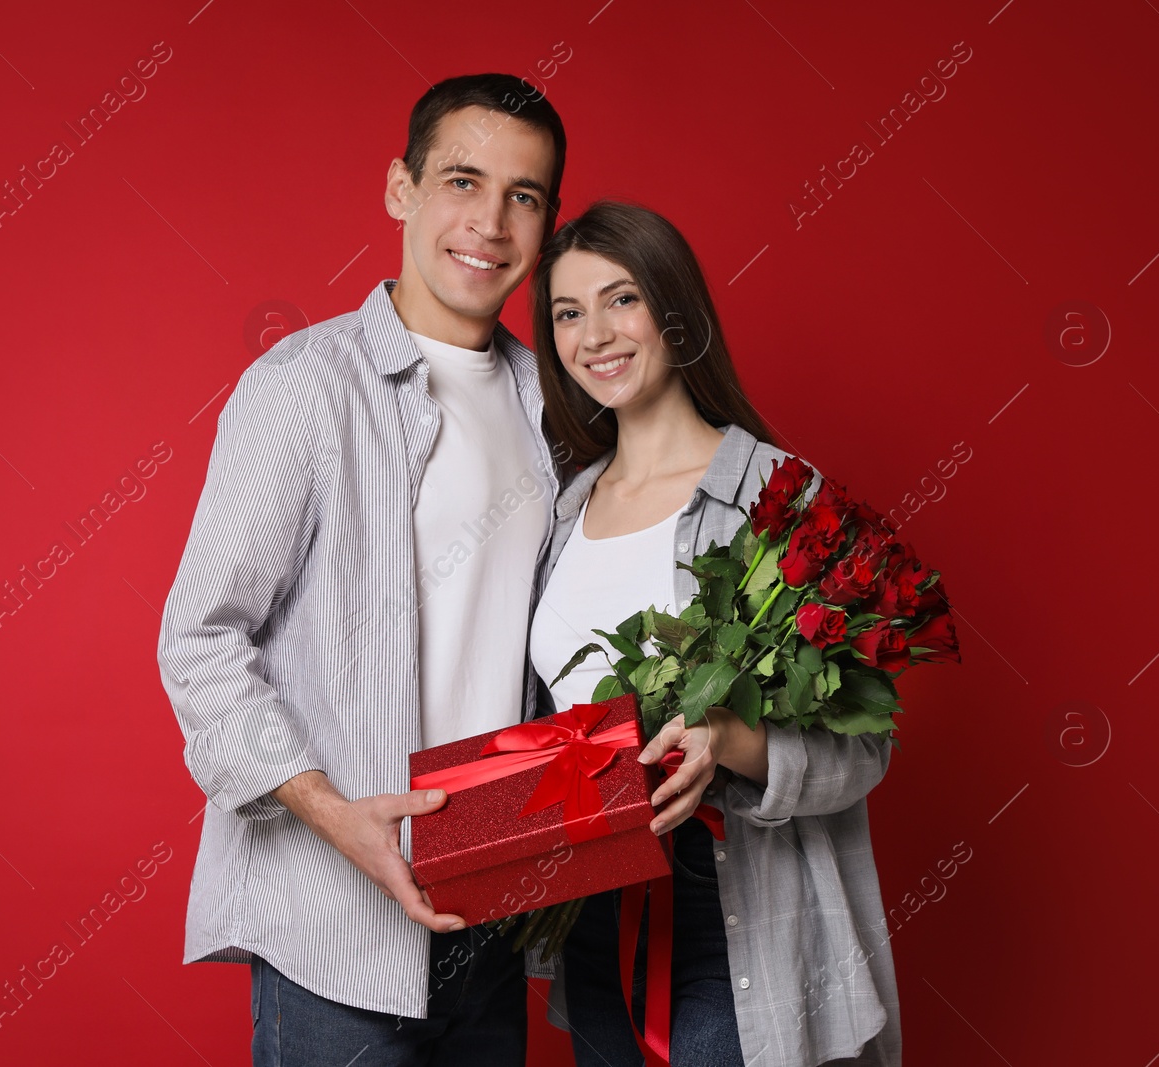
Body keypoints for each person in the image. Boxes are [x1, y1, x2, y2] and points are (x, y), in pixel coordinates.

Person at [156, 74, 568, 1066]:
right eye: (462, 181)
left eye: (524, 195)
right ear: (400, 189)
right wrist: (334, 815)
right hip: (331, 920)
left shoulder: (553, 406)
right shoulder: (303, 388)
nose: (489, 221)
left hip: (490, 909)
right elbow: (199, 641)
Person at [525, 200, 902, 1066]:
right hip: (590, 902)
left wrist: (730, 739)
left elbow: (866, 748)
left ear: (674, 308)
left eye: (621, 300)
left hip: (731, 904)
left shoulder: (781, 496)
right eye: (568, 313)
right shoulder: (562, 508)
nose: (595, 335)